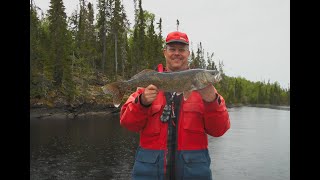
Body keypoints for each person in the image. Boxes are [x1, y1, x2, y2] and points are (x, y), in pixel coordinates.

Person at [119, 31, 230, 180]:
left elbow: (219, 130)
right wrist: (142, 103)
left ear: (188, 53)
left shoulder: (208, 92)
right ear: (165, 52)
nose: (177, 53)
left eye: (182, 50)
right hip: (149, 173)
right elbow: (127, 123)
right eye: (172, 49)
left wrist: (211, 101)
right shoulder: (146, 87)